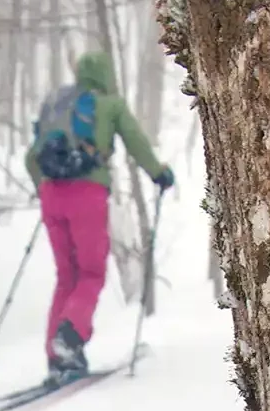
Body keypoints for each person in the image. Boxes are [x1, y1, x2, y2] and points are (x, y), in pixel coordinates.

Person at [25, 50, 174, 386]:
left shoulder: (56, 103)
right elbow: (135, 141)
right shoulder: (110, 105)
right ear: (106, 74)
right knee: (90, 274)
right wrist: (158, 173)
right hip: (87, 195)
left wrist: (44, 188)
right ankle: (70, 340)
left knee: (66, 276)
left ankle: (57, 357)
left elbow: (30, 157)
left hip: (52, 196)